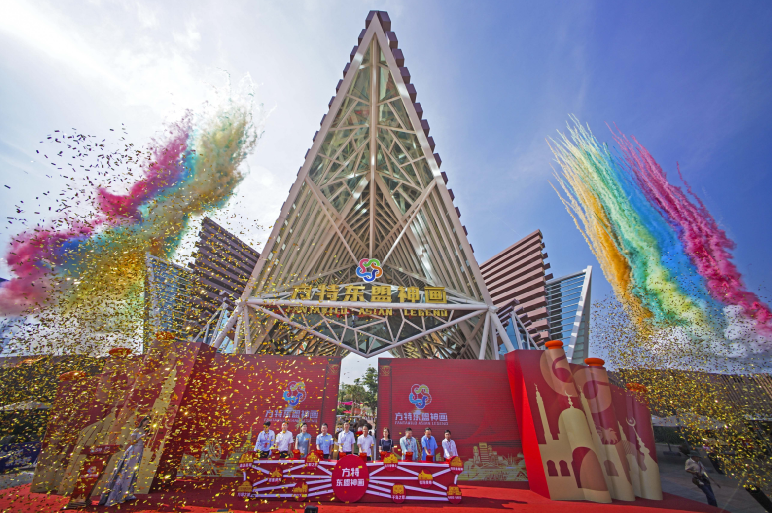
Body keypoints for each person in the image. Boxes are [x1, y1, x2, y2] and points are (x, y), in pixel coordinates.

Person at [99, 416, 150, 507]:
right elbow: (132, 442)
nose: (147, 424)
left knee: (133, 472)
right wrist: (140, 437)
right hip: (133, 451)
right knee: (126, 471)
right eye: (146, 422)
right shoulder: (136, 430)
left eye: (148, 422)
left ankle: (127, 492)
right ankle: (117, 494)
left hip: (139, 451)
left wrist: (146, 437)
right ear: (142, 422)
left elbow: (143, 442)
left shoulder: (144, 431)